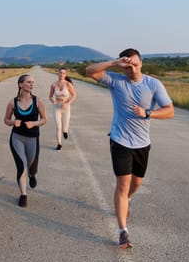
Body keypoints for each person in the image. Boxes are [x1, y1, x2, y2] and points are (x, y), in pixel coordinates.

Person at [85, 48, 174, 249]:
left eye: (135, 63)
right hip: (120, 141)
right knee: (122, 185)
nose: (132, 67)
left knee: (136, 184)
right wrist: (115, 63)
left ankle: (128, 199)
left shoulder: (153, 84)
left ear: (141, 63)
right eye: (128, 64)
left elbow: (170, 111)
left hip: (142, 143)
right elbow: (90, 71)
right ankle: (123, 231)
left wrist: (148, 113)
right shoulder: (116, 81)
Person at [4, 74, 47, 207]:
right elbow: (6, 120)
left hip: (33, 138)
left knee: (31, 166)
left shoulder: (38, 101)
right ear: (20, 84)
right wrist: (13, 122)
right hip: (17, 138)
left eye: (32, 82)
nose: (31, 84)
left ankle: (32, 175)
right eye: (28, 82)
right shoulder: (12, 102)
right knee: (21, 166)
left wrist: (34, 124)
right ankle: (23, 195)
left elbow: (44, 119)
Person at [48, 67, 77, 150]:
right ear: (58, 73)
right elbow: (50, 96)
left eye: (64, 73)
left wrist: (67, 103)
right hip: (56, 107)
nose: (62, 74)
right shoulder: (53, 84)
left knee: (65, 126)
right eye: (60, 72)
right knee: (58, 126)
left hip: (66, 107)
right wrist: (53, 101)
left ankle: (65, 132)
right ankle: (59, 144)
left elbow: (74, 95)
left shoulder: (68, 84)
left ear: (65, 75)